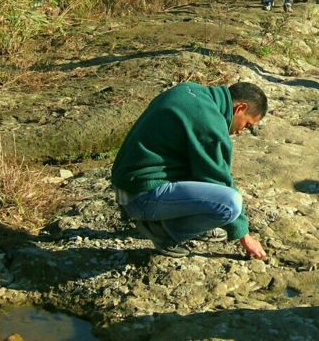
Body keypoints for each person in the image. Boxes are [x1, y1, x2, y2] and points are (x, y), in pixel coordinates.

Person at [110, 81, 268, 260]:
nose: (240, 131)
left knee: (200, 171)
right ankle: (162, 230)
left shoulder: (192, 91)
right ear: (240, 108)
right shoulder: (210, 123)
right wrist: (244, 235)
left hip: (126, 186)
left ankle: (192, 226)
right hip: (139, 196)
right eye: (246, 124)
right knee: (230, 204)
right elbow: (218, 181)